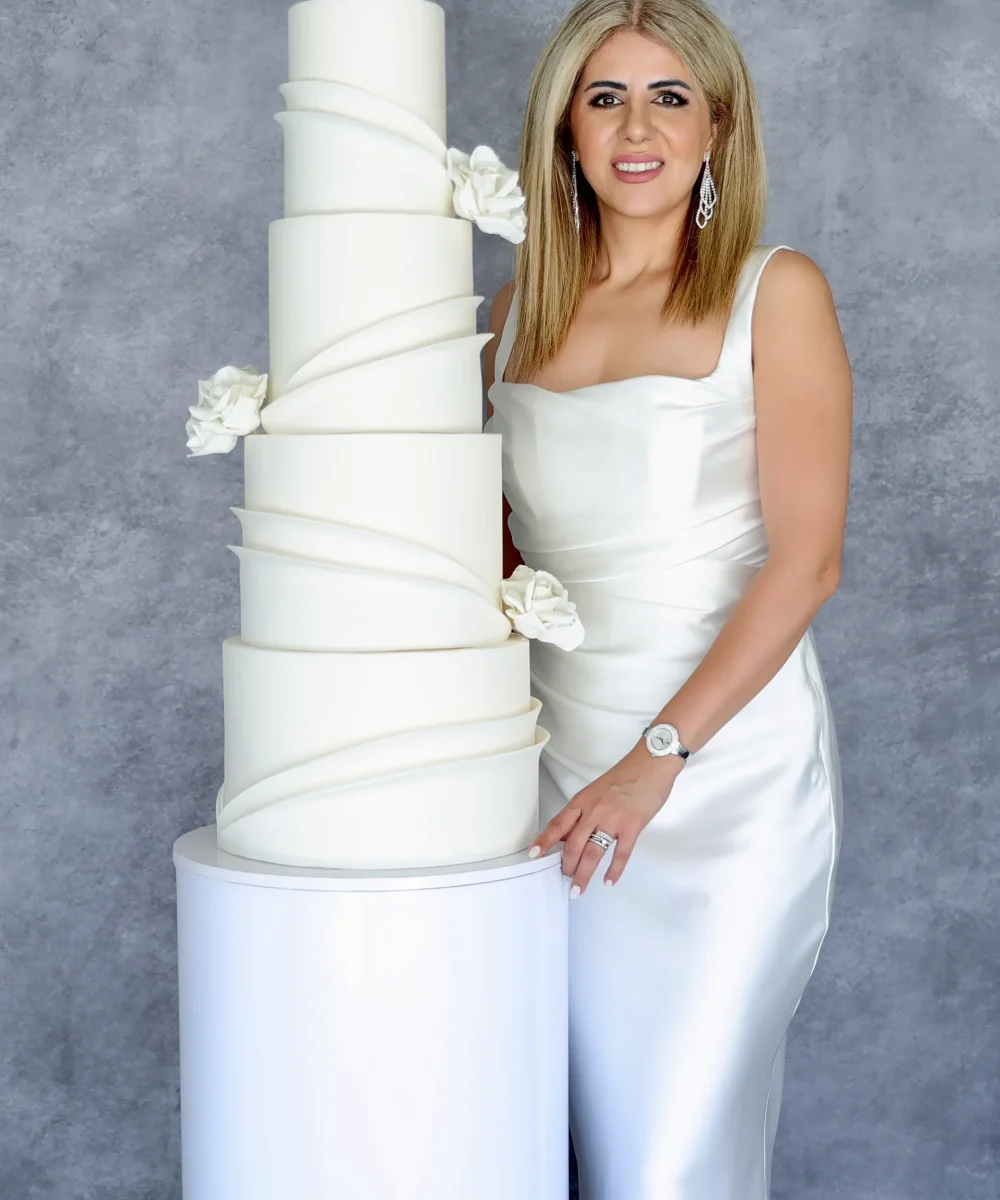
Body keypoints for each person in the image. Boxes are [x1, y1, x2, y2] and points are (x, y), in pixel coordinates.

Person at [482, 1, 852, 1197]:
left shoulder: (772, 292)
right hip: (551, 785)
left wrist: (657, 759)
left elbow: (806, 563)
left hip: (722, 779)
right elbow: (495, 571)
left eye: (668, 97)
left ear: (716, 127)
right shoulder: (508, 321)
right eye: (604, 99)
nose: (635, 127)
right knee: (582, 1144)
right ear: (565, 132)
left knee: (665, 1163)